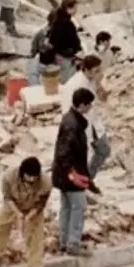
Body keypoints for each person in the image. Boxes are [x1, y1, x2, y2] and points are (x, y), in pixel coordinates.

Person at [52, 87, 95, 257]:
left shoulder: (70, 120)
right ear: (82, 104)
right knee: (78, 207)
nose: (90, 107)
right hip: (71, 174)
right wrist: (72, 174)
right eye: (89, 104)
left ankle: (65, 241)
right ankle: (73, 243)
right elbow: (65, 152)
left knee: (67, 208)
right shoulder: (73, 125)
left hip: (64, 174)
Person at [60, 54, 109, 197]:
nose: (98, 73)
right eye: (96, 71)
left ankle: (88, 179)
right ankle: (81, 187)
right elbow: (67, 108)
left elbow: (103, 98)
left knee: (104, 149)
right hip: (80, 125)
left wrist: (99, 84)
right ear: (86, 69)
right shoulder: (74, 85)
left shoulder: (93, 80)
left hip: (93, 121)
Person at [47, 0, 82, 81]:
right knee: (66, 81)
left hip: (65, 55)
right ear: (68, 8)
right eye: (74, 8)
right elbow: (54, 40)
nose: (76, 10)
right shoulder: (62, 22)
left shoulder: (64, 20)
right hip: (64, 56)